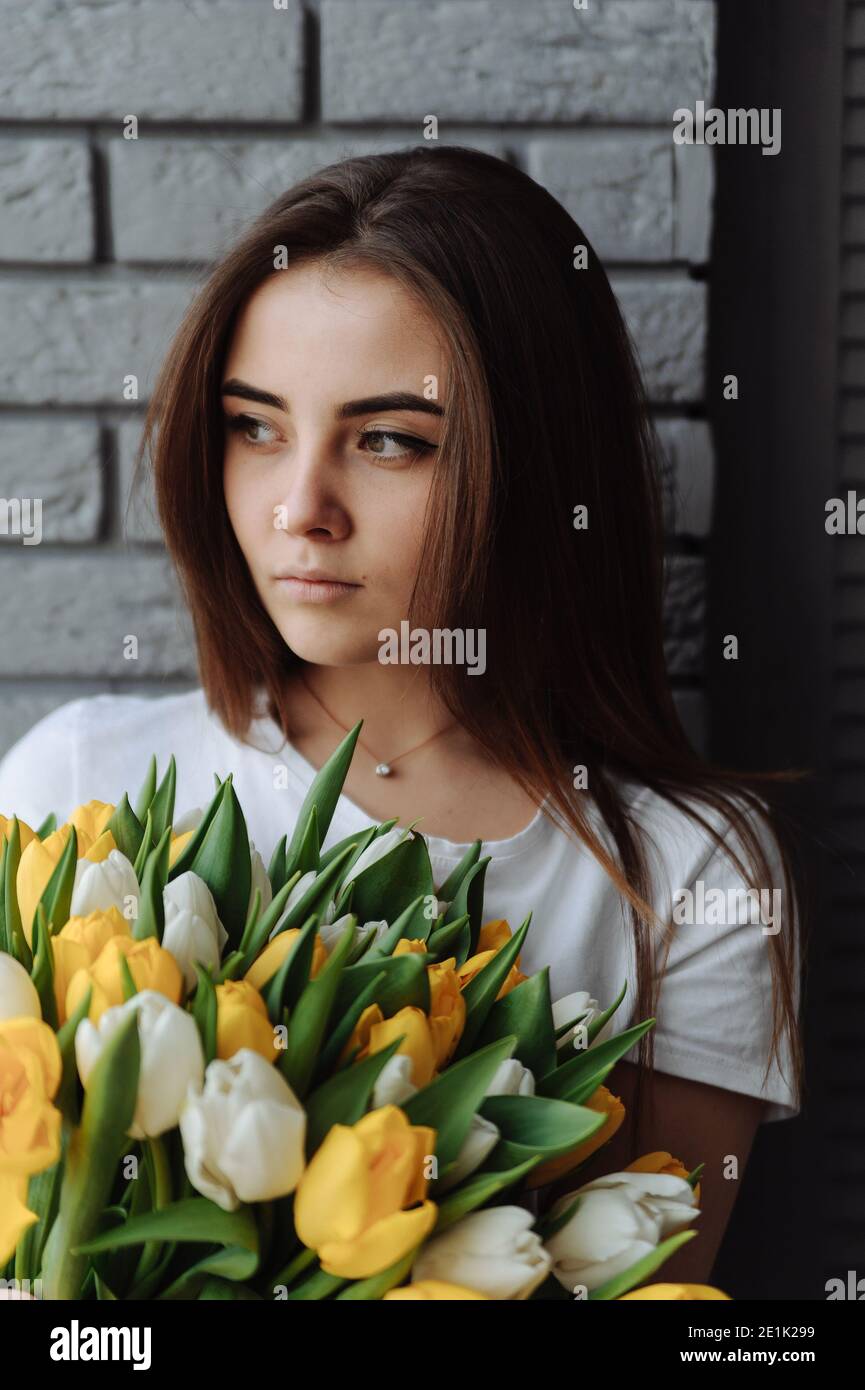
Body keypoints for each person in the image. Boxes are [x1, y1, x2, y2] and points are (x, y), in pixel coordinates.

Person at [0, 145, 803, 1286]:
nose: (299, 509)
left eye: (388, 440)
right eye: (254, 425)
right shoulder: (74, 780)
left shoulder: (686, 872)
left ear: (533, 467)